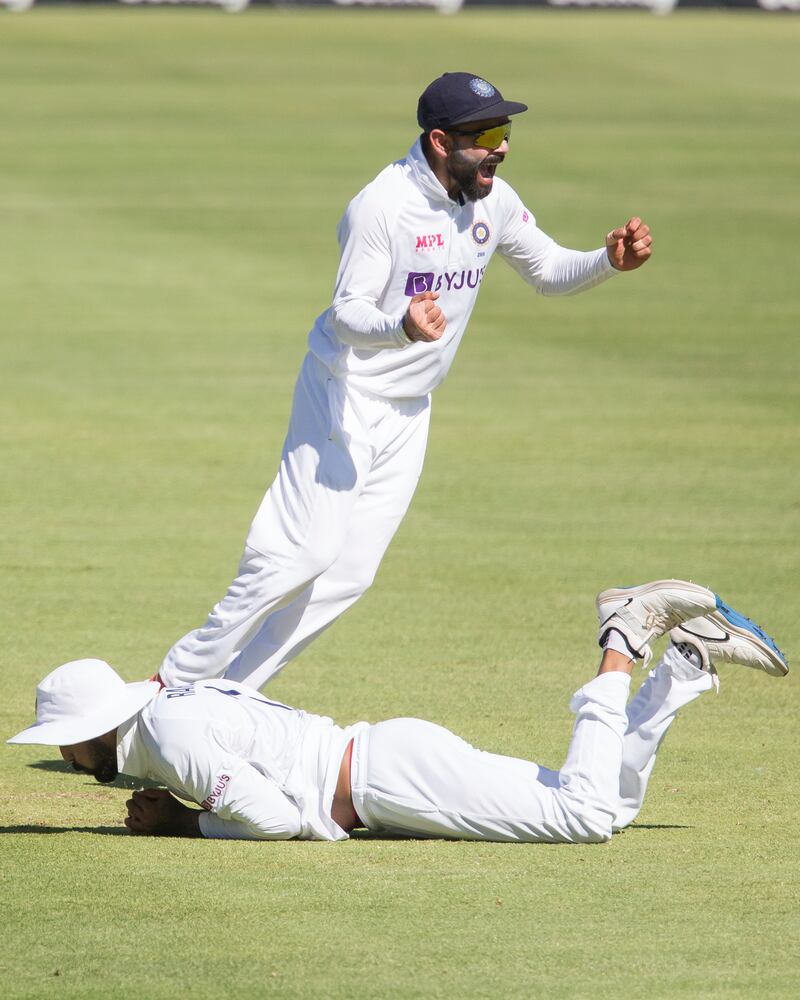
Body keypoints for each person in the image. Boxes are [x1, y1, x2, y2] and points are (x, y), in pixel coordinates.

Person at [155, 72, 653, 693]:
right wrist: (402, 327)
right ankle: (170, 682)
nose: (501, 147)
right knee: (301, 555)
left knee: (350, 575)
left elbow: (549, 269)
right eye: (487, 135)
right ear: (441, 141)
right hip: (345, 393)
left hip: (410, 409)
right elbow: (347, 311)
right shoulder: (382, 207)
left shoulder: (491, 200)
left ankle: (224, 697)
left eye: (506, 132)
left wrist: (608, 261)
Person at [9, 580, 787, 844]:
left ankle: (623, 635)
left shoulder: (166, 737)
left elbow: (278, 821)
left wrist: (186, 824)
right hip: (388, 761)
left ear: (90, 735)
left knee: (584, 817)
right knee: (609, 804)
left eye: (68, 750)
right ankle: (683, 667)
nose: (72, 767)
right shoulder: (161, 716)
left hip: (383, 781)